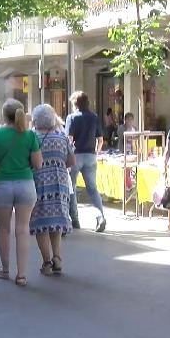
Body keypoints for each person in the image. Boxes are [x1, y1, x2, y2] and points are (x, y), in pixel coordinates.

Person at [0, 99, 42, 287]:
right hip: (25, 184)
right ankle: (22, 275)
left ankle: (5, 269)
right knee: (23, 230)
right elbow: (38, 164)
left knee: (3, 229)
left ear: (3, 115)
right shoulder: (30, 136)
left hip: (2, 185)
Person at [30, 104, 74, 276]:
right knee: (56, 221)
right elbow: (71, 161)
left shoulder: (32, 137)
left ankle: (46, 263)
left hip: (39, 182)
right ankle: (57, 257)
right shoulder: (62, 137)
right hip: (60, 183)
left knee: (41, 223)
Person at [66, 91, 107, 232]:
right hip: (90, 155)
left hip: (75, 155)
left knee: (72, 187)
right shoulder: (94, 117)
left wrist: (67, 155)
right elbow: (100, 139)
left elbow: (69, 140)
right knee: (92, 189)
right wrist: (96, 151)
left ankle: (74, 219)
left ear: (75, 104)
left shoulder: (71, 118)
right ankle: (100, 216)